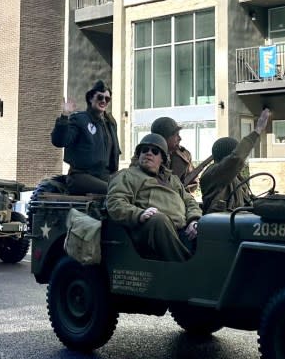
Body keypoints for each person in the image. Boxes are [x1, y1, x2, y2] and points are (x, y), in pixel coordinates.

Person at [106, 133, 201, 262]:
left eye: (154, 151)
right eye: (144, 150)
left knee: (209, 227)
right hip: (146, 231)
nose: (148, 153)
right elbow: (115, 202)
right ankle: (186, 269)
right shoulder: (127, 176)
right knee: (158, 219)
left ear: (162, 158)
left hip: (180, 230)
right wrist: (139, 214)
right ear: (138, 155)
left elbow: (190, 201)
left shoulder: (173, 180)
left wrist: (193, 220)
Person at [51, 80, 121, 195]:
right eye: (100, 97)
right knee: (113, 191)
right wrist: (64, 117)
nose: (103, 101)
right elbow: (59, 141)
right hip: (81, 176)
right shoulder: (80, 119)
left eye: (107, 99)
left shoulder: (110, 123)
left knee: (130, 189)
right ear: (90, 99)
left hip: (105, 176)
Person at [200, 108, 272, 214]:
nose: (242, 161)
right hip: (220, 226)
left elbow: (247, 203)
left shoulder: (237, 178)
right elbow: (236, 158)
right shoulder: (213, 175)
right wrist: (257, 131)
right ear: (228, 157)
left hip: (238, 222)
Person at [150, 117, 196, 190]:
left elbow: (193, 184)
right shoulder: (145, 156)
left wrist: (182, 192)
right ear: (163, 138)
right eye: (176, 134)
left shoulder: (184, 155)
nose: (180, 138)